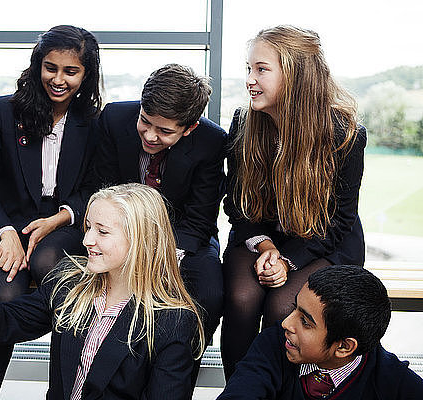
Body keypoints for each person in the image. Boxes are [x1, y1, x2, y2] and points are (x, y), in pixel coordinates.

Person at [0, 183, 205, 399]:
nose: (87, 240)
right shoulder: (69, 283)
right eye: (88, 227)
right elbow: (5, 325)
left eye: (102, 231)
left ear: (141, 242)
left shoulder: (174, 320)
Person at [0, 24, 102, 399]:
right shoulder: (3, 112)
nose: (58, 79)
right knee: (2, 297)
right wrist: (4, 231)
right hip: (6, 227)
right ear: (39, 65)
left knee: (59, 278)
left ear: (87, 74)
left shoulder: (95, 123)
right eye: (50, 67)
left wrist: (63, 215)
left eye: (71, 71)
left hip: (65, 227)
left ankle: (62, 391)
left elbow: (98, 188)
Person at [221, 25, 367, 378]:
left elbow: (338, 222)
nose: (250, 80)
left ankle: (280, 389)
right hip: (261, 234)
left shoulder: (343, 134)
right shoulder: (244, 123)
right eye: (249, 68)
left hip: (321, 244)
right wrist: (268, 247)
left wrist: (286, 260)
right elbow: (238, 206)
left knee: (282, 307)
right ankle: (240, 389)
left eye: (261, 69)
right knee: (242, 299)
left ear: (296, 76)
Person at [93, 64, 226, 376]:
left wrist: (160, 259)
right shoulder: (113, 119)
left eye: (165, 131)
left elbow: (199, 218)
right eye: (145, 122)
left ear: (189, 128)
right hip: (118, 232)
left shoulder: (211, 140)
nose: (150, 136)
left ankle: (176, 377)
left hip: (182, 239)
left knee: (209, 294)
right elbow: (99, 188)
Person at [218, 265, 423, 399]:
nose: (286, 324)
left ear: (344, 346)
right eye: (294, 308)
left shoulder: (393, 382)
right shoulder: (274, 344)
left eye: (305, 322)